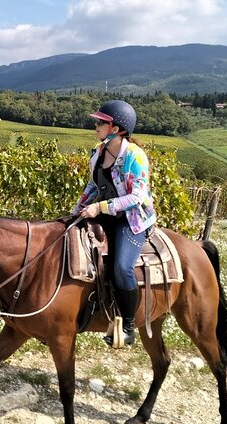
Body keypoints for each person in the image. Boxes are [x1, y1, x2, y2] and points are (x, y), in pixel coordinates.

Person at [71, 100, 157, 346]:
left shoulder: (134, 156)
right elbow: (93, 185)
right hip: (104, 212)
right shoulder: (98, 152)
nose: (96, 125)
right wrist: (76, 209)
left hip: (131, 219)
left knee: (121, 267)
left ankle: (128, 326)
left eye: (101, 122)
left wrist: (99, 207)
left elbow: (136, 197)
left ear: (117, 129)